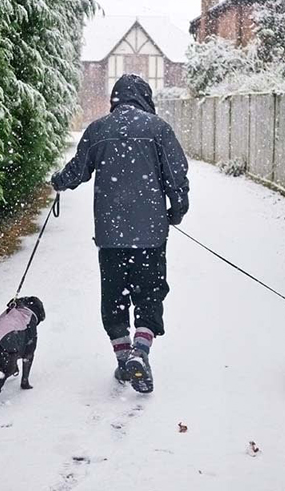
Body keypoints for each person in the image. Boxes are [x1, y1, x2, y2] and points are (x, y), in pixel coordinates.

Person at [51, 73, 189, 394]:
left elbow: (78, 170)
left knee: (114, 297)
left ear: (116, 98)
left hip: (110, 236)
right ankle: (140, 352)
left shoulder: (98, 130)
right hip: (150, 235)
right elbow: (176, 176)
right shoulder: (158, 129)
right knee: (149, 293)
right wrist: (176, 211)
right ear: (145, 97)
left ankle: (124, 354)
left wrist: (59, 181)